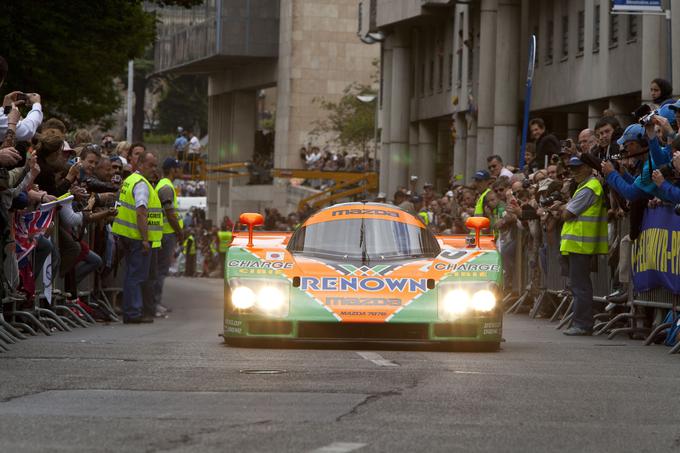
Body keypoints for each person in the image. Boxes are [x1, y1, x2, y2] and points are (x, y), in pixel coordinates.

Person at [553, 157, 608, 336]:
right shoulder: (584, 187)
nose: (574, 172)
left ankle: (583, 324)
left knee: (580, 286)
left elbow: (568, 214)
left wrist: (563, 208)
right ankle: (581, 322)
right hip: (577, 244)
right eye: (571, 168)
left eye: (578, 168)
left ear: (588, 168)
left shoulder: (590, 188)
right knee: (578, 285)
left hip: (581, 244)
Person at [111, 150, 163, 324]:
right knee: (136, 276)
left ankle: (130, 310)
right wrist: (145, 239)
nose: (154, 169)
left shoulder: (130, 180)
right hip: (136, 237)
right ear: (140, 164)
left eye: (156, 166)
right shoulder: (141, 184)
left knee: (130, 275)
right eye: (151, 165)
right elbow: (141, 212)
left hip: (125, 234)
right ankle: (133, 312)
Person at [151, 158, 185, 316]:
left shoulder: (165, 185)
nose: (180, 171)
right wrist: (179, 232)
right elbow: (170, 214)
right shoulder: (166, 187)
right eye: (178, 168)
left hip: (164, 233)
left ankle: (156, 302)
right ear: (172, 169)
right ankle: (154, 303)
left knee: (160, 270)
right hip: (165, 233)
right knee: (160, 270)